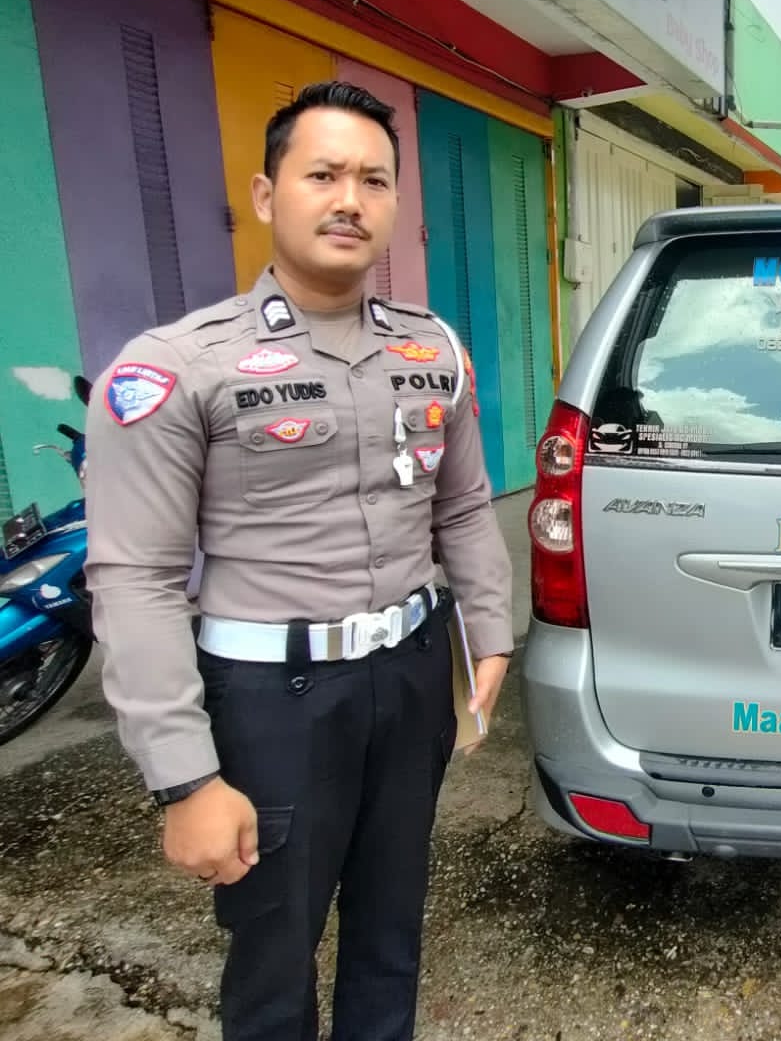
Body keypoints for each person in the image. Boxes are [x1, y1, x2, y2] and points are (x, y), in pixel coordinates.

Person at [84, 81, 514, 1041]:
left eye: (374, 180)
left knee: (392, 928)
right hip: (270, 701)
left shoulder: (431, 349)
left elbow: (461, 503)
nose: (350, 200)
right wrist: (185, 778)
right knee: (274, 954)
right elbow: (135, 579)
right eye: (323, 175)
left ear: (395, 204)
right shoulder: (178, 367)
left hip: (411, 678)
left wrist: (489, 633)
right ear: (267, 194)